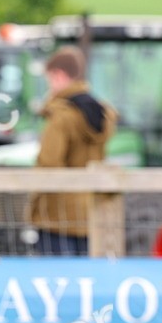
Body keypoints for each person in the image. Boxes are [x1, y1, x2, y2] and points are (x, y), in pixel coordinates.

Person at [30, 46, 117, 256]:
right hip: (89, 213)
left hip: (57, 217)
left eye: (50, 79)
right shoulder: (102, 113)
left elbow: (48, 164)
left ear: (59, 75)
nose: (49, 86)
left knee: (56, 274)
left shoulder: (62, 116)